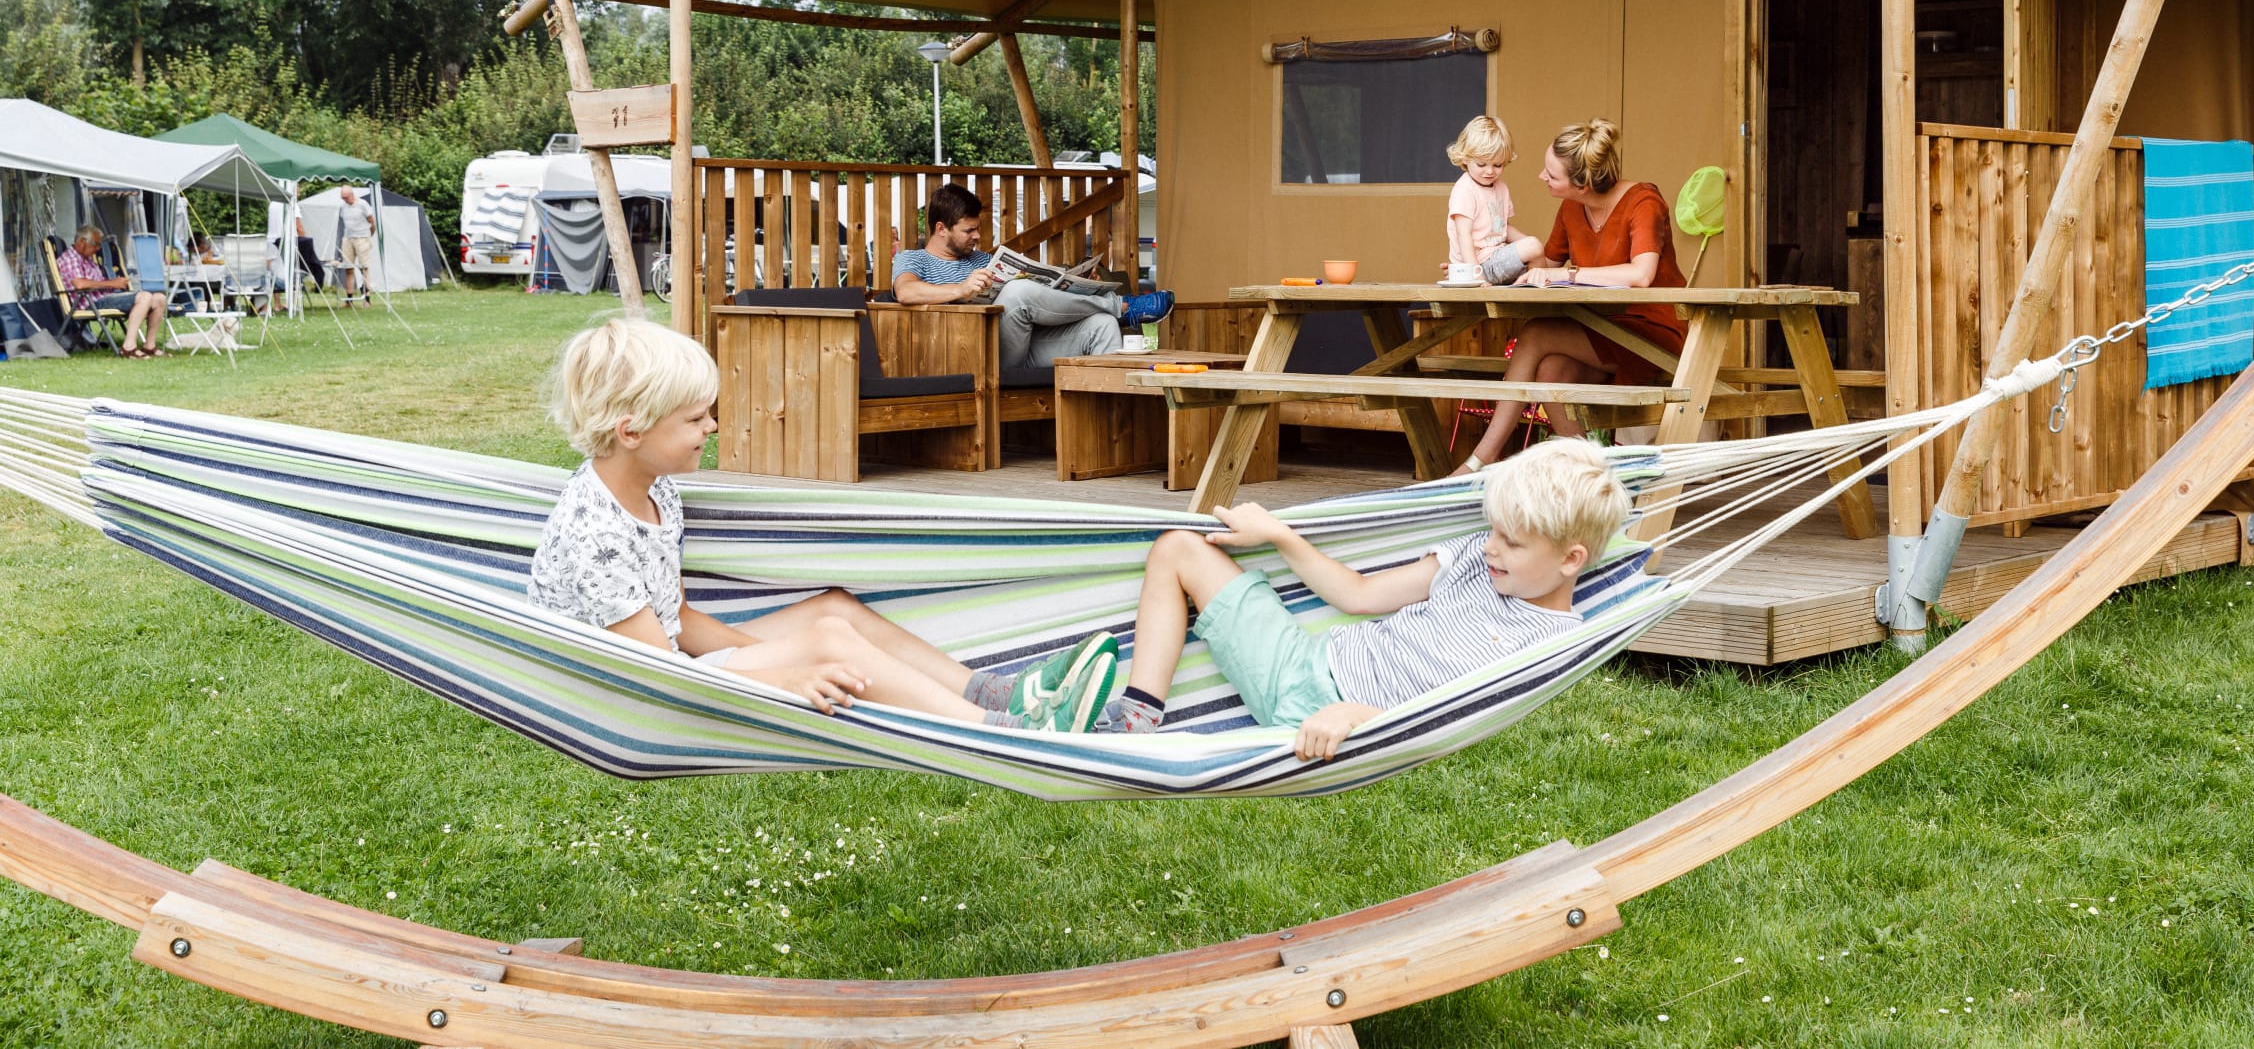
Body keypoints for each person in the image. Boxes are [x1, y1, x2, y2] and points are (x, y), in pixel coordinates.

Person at [526, 316, 1118, 732]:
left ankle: (1002, 693)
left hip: (668, 655)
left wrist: (780, 652)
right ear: (631, 431)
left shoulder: (657, 491)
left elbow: (677, 618)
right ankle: (1007, 731)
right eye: (695, 419)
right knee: (829, 641)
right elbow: (664, 679)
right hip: (630, 691)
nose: (713, 426)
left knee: (834, 610)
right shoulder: (594, 536)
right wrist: (785, 676)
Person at [1100, 438, 1629, 759]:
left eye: (1511, 542)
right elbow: (1359, 593)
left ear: (1571, 559)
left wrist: (1358, 716)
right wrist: (1280, 535)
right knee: (1179, 548)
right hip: (1301, 662)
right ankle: (1137, 717)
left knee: (1191, 764)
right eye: (1493, 530)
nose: (1492, 546)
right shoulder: (1475, 557)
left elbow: (1454, 723)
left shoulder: (1550, 645)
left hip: (1339, 727)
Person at [1455, 119, 1688, 472]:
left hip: (1652, 332)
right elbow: (1542, 265)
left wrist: (1569, 273)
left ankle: (1478, 463)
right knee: (1551, 370)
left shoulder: (1644, 201)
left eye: (1551, 174)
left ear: (1583, 183)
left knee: (1536, 333)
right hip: (1599, 328)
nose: (1541, 177)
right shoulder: (1570, 207)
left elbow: (1642, 275)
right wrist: (1476, 264)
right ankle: (1592, 475)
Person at [889, 184, 1172, 370]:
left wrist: (1081, 285)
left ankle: (1108, 428)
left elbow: (1036, 296)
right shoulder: (914, 259)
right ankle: (1121, 307)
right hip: (977, 356)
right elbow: (906, 292)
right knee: (1017, 292)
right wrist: (961, 289)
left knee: (1102, 325)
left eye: (978, 228)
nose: (977, 236)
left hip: (1025, 346)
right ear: (941, 229)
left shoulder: (983, 260)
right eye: (968, 230)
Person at [1443, 115, 1536, 285]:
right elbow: (1464, 235)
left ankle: (1538, 289)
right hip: (1478, 264)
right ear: (1465, 158)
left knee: (1535, 249)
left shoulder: (1501, 187)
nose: (1490, 171)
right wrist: (1476, 276)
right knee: (1533, 247)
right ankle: (1538, 289)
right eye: (1481, 164)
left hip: (1496, 256)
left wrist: (1530, 243)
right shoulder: (1465, 190)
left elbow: (1503, 228)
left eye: (1497, 165)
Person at [54, 226, 171, 359]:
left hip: (103, 298)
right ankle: (128, 347)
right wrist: (111, 283)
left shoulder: (86, 259)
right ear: (82, 241)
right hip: (90, 303)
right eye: (95, 244)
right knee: (144, 297)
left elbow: (95, 282)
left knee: (159, 298)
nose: (98, 249)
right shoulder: (70, 258)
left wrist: (116, 283)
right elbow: (79, 284)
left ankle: (149, 346)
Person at [334, 187, 377, 303]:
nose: (344, 200)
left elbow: (372, 223)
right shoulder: (343, 207)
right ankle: (349, 299)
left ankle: (367, 299)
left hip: (362, 238)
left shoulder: (363, 205)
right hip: (348, 239)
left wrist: (368, 236)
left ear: (351, 195)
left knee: (364, 268)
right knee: (348, 268)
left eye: (346, 197)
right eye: (342, 198)